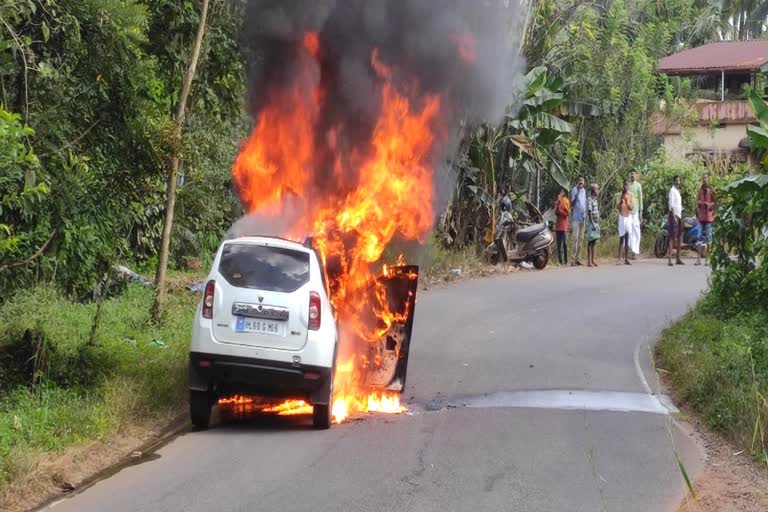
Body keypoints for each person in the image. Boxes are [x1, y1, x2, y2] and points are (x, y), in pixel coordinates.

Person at [695, 173, 715, 266]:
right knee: (699, 237)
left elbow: (717, 202)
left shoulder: (712, 189)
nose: (704, 179)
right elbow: (697, 201)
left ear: (708, 178)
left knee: (708, 238)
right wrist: (699, 202)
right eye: (703, 177)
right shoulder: (700, 190)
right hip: (701, 217)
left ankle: (708, 259)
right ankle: (698, 259)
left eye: (706, 177)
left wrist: (710, 204)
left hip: (709, 217)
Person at [570, 175, 587, 266]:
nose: (581, 182)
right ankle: (572, 260)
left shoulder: (584, 191)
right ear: (577, 181)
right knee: (575, 239)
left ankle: (578, 259)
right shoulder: (574, 190)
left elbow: (584, 203)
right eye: (579, 180)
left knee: (581, 239)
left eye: (582, 180)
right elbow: (572, 204)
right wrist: (576, 197)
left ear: (584, 182)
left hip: (582, 217)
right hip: (576, 218)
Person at [667, 175, 684, 266]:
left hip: (680, 215)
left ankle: (678, 258)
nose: (678, 182)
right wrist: (674, 217)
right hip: (674, 216)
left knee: (680, 237)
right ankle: (670, 259)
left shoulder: (678, 191)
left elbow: (678, 204)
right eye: (676, 180)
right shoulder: (672, 191)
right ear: (674, 181)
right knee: (672, 237)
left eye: (679, 180)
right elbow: (671, 205)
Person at [616, 180, 634, 265]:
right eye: (624, 185)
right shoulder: (620, 195)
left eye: (627, 185)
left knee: (627, 238)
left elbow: (631, 207)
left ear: (628, 186)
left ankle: (626, 259)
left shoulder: (630, 195)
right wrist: (620, 202)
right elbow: (617, 206)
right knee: (621, 238)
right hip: (621, 217)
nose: (625, 187)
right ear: (623, 186)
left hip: (628, 217)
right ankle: (619, 258)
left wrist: (627, 202)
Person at [627, 170, 643, 258]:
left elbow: (640, 199)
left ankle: (635, 250)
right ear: (629, 175)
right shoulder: (628, 186)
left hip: (636, 211)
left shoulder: (638, 186)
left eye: (633, 174)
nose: (632, 175)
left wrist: (641, 211)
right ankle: (630, 250)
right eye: (631, 174)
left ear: (636, 175)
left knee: (636, 230)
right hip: (628, 212)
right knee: (629, 231)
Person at [554, 189, 571, 265]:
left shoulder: (566, 201)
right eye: (560, 192)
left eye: (562, 192)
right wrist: (558, 203)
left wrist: (560, 210)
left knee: (565, 243)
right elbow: (556, 212)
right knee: (558, 244)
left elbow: (567, 213)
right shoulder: (557, 202)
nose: (560, 193)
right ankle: (560, 260)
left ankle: (566, 260)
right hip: (558, 225)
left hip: (564, 225)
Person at [586, 183, 600, 267]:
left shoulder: (595, 200)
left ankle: (593, 260)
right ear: (593, 190)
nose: (598, 190)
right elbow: (589, 212)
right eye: (596, 189)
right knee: (590, 242)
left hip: (596, 222)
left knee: (594, 241)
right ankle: (589, 261)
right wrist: (593, 223)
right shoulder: (590, 199)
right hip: (592, 223)